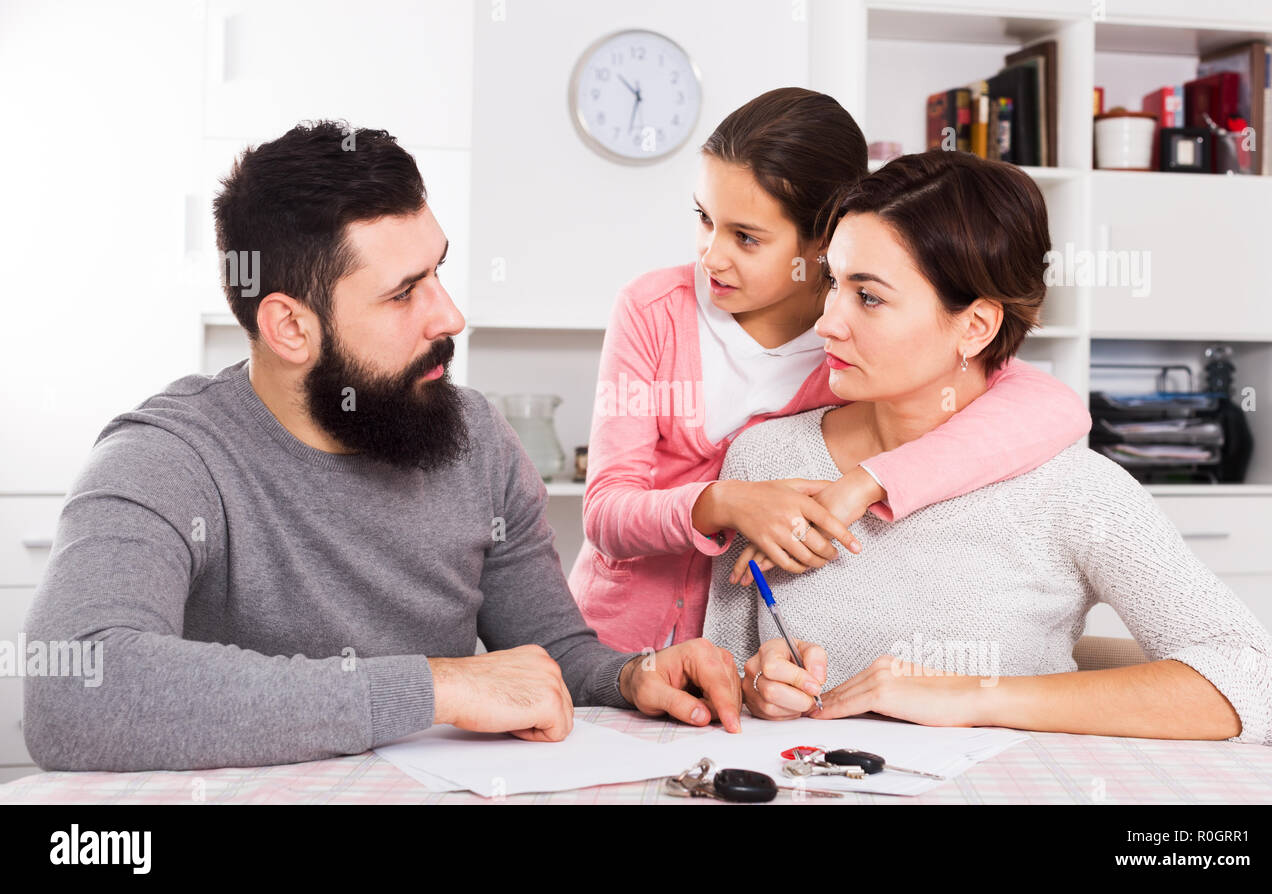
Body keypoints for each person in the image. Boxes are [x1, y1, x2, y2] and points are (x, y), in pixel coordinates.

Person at [21, 121, 743, 772]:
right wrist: (435, 686)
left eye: (439, 272)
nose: (449, 315)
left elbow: (554, 654)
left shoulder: (478, 440)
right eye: (404, 294)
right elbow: (74, 687)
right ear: (290, 328)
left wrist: (630, 676)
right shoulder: (167, 458)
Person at [703, 149, 1272, 747]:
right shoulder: (765, 463)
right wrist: (757, 685)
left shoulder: (1073, 490)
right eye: (833, 282)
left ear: (976, 327)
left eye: (870, 296)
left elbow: (1268, 691)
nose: (827, 322)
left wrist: (971, 696)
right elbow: (723, 678)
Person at [572, 88, 1092, 654]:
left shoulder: (860, 334)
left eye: (746, 237)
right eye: (704, 219)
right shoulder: (652, 309)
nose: (712, 256)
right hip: (614, 646)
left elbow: (1052, 407)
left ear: (825, 238)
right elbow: (605, 511)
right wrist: (724, 501)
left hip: (748, 655)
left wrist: (867, 485)